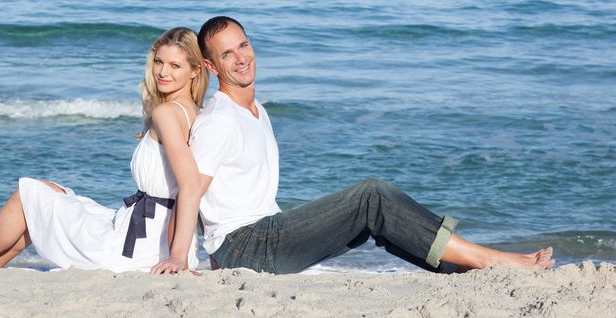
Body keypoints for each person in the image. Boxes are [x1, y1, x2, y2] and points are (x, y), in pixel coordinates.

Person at [151, 17, 556, 275]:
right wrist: (180, 257)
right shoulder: (220, 119)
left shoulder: (255, 111)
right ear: (210, 67)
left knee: (375, 219)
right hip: (249, 245)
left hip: (261, 237)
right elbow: (190, 189)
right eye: (227, 53)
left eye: (243, 45)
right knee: (372, 196)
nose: (241, 58)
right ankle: (492, 259)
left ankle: (463, 269)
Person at [0, 27, 206, 272]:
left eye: (175, 66)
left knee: (27, 195)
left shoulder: (166, 113)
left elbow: (190, 185)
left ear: (195, 70)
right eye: (159, 62)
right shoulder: (195, 112)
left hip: (139, 246)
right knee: (47, 194)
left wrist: (177, 257)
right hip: (154, 234)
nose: (163, 72)